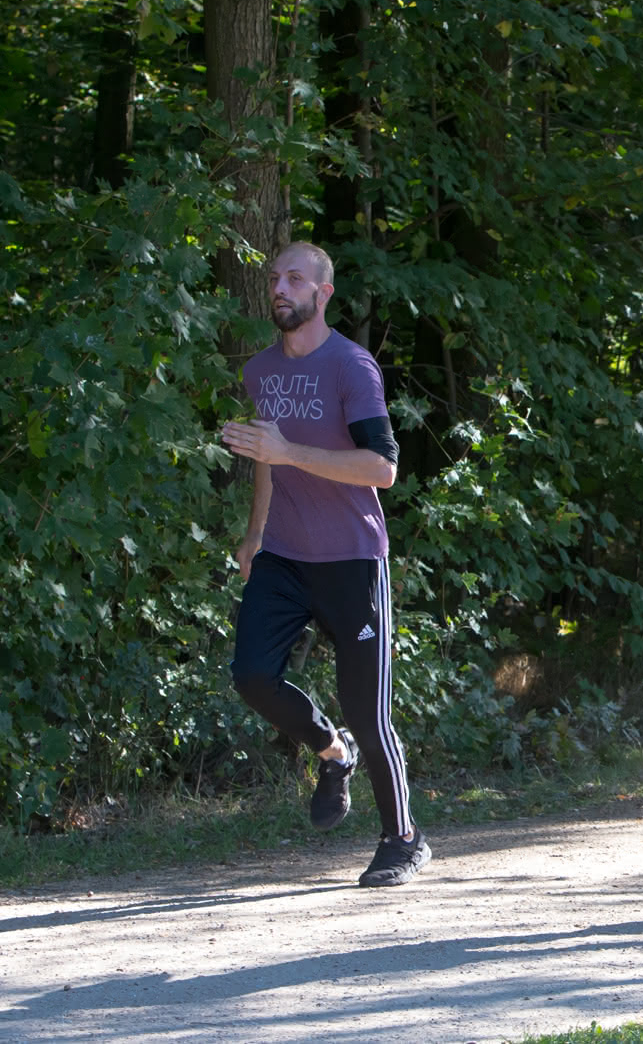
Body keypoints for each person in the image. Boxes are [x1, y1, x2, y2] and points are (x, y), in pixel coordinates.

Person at [221, 241, 430, 888]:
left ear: (322, 293)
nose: (280, 288)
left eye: (294, 278)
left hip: (351, 558)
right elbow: (267, 455)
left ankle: (403, 838)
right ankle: (328, 753)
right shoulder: (260, 370)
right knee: (253, 675)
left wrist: (289, 449)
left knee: (369, 712)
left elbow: (383, 467)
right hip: (283, 553)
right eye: (274, 278)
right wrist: (255, 533)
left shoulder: (351, 366)